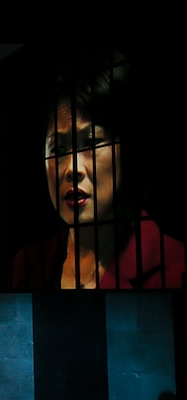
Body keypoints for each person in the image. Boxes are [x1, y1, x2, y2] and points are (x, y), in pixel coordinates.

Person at [11, 46, 184, 290]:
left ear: (127, 148)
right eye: (58, 150)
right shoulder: (26, 265)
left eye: (91, 143)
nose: (72, 168)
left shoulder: (174, 267)